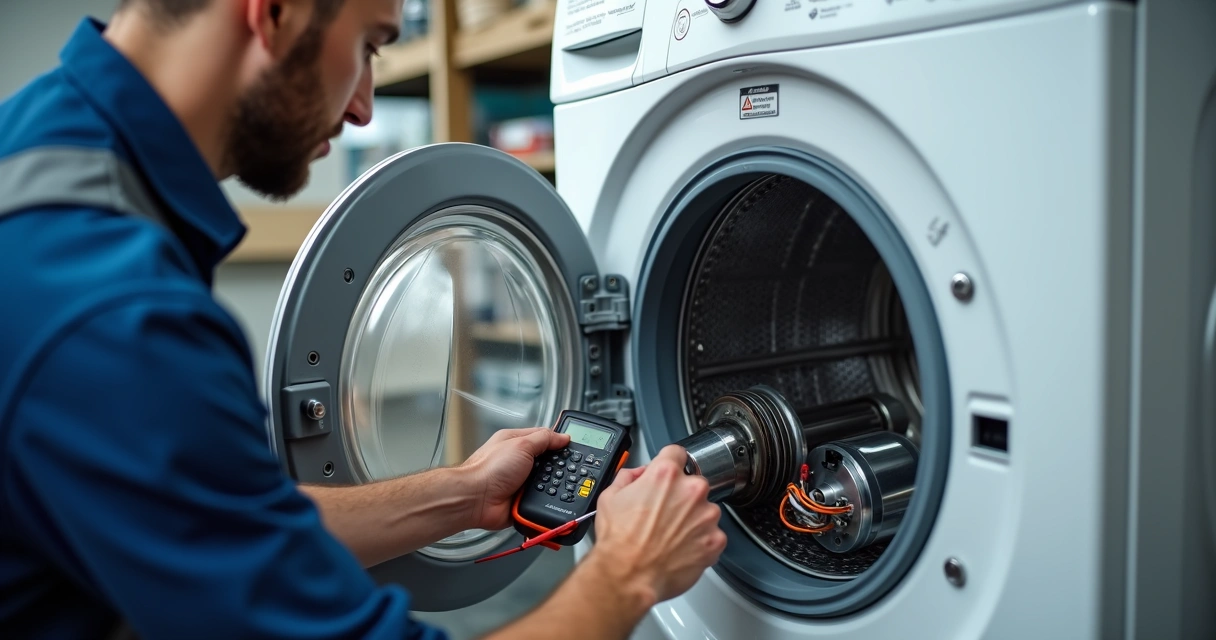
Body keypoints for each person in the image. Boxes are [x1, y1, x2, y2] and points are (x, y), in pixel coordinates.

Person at [0, 0, 727, 637]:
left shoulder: (44, 146)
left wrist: (465, 494)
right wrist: (629, 574)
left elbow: (225, 521)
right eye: (370, 46)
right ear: (273, 12)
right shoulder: (114, 318)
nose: (364, 108)